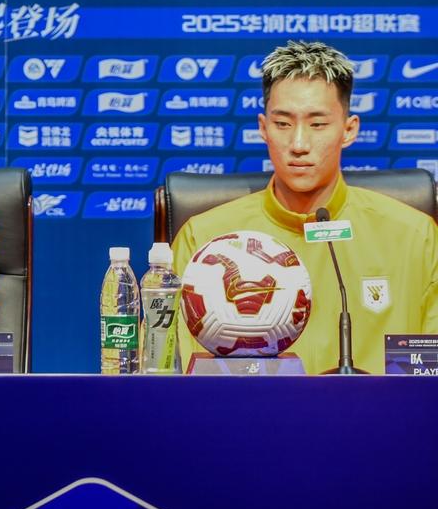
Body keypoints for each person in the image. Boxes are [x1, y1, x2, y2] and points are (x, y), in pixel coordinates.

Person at [172, 40, 438, 374]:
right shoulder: (205, 239)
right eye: (283, 124)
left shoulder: (415, 237)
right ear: (263, 128)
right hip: (249, 409)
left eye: (317, 124)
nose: (299, 144)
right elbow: (174, 372)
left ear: (349, 130)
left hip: (378, 409)